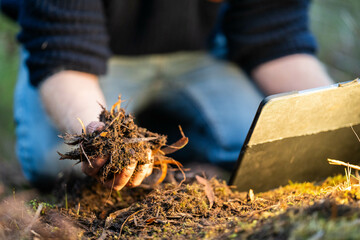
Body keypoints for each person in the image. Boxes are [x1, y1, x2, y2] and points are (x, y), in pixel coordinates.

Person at [1, 0, 333, 190]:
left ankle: (161, 133)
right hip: (92, 57)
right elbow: (65, 53)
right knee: (53, 160)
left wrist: (337, 115)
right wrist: (105, 138)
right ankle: (144, 142)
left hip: (202, 52)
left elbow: (276, 40)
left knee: (275, 145)